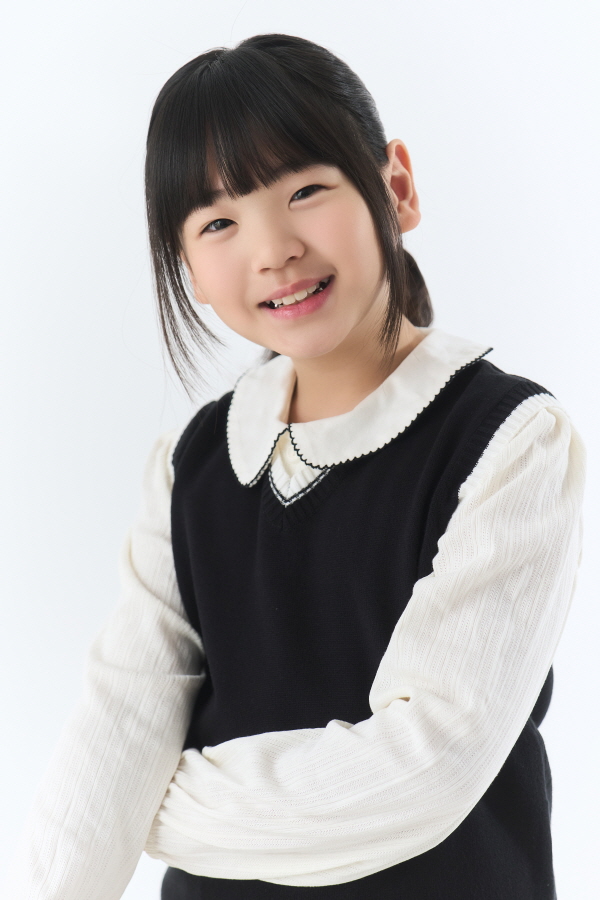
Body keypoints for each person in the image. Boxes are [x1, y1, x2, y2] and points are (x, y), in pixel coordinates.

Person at [7, 33, 585, 900]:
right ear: (188, 268)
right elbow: (124, 707)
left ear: (396, 187)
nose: (273, 248)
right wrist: (97, 811)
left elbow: (427, 763)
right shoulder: (193, 467)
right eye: (218, 223)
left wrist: (143, 805)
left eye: (305, 190)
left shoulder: (508, 442)